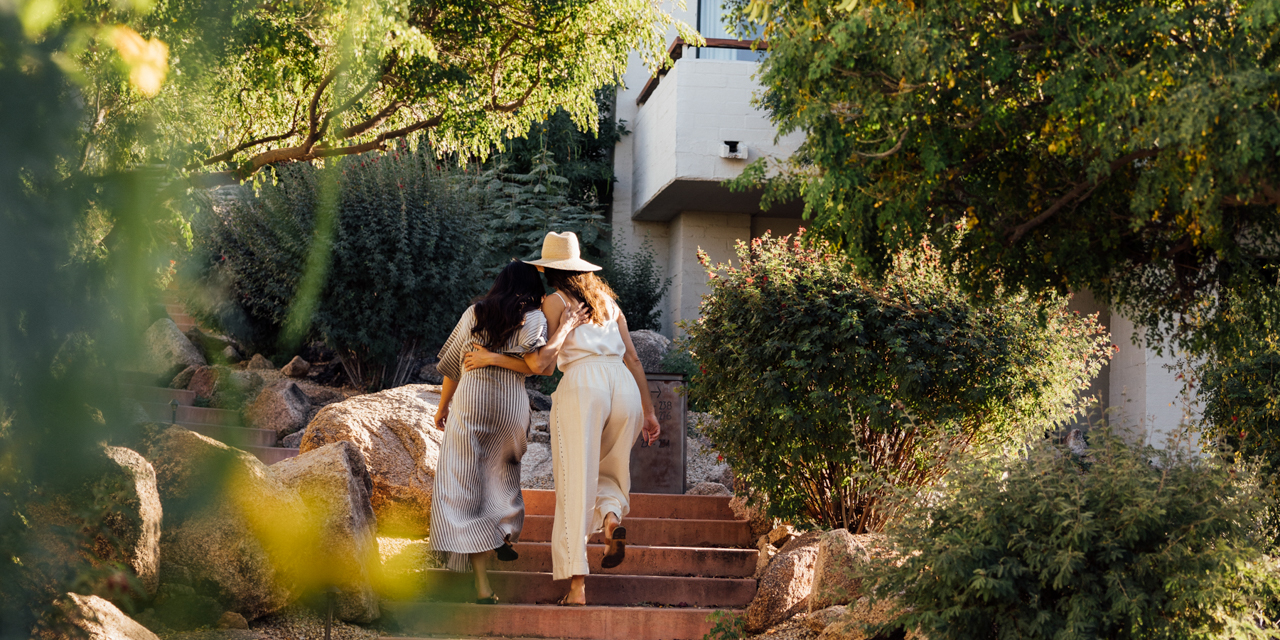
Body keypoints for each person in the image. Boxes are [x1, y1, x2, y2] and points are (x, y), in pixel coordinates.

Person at [463, 231, 661, 606]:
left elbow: (541, 364)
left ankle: (577, 587)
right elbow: (634, 358)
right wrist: (649, 412)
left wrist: (491, 358)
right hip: (624, 386)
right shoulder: (607, 302)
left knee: (575, 484)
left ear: (547, 269)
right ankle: (611, 520)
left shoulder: (554, 302)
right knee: (612, 470)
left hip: (584, 386)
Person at [430, 260, 586, 604]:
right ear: (533, 288)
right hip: (509, 405)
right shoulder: (533, 318)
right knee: (503, 475)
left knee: (467, 484)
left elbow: (454, 365)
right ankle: (504, 531)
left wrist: (443, 407)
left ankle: (483, 585)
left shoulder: (475, 313)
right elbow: (539, 368)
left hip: (471, 402)